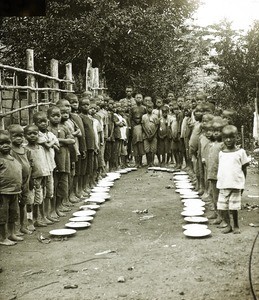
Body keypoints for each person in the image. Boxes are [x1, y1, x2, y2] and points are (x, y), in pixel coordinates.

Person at [217, 125, 249, 234]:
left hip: (235, 185)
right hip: (223, 184)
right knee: (223, 207)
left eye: (231, 137)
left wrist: (242, 184)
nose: (228, 140)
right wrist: (219, 182)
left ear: (237, 138)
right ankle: (228, 225)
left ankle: (236, 225)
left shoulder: (241, 152)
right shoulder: (221, 153)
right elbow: (221, 169)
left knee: (234, 207)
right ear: (223, 139)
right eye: (226, 137)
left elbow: (244, 169)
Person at [47, 106, 75, 217]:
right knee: (54, 184)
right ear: (48, 117)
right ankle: (52, 210)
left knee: (63, 184)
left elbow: (72, 140)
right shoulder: (48, 130)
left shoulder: (64, 127)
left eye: (58, 115)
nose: (56, 118)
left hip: (65, 159)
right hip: (54, 160)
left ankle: (58, 207)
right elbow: (48, 140)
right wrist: (64, 141)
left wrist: (57, 141)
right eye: (53, 116)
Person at [33, 112, 60, 222]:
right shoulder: (37, 135)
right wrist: (52, 142)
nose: (43, 124)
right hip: (41, 169)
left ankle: (47, 214)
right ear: (35, 123)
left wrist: (52, 142)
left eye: (45, 121)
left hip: (50, 167)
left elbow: (57, 147)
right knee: (40, 194)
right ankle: (40, 217)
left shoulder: (49, 134)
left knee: (49, 192)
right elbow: (49, 145)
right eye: (40, 122)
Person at [24, 124, 50, 228]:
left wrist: (45, 176)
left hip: (41, 178)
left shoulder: (41, 148)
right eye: (29, 134)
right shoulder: (26, 150)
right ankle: (29, 221)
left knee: (38, 200)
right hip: (31, 179)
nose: (32, 136)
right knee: (30, 201)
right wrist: (29, 180)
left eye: (35, 133)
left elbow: (44, 164)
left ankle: (37, 219)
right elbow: (28, 167)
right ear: (25, 136)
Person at [0, 130, 23, 246]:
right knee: (2, 216)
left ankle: (12, 233)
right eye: (1, 143)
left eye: (7, 143)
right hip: (3, 192)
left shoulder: (12, 156)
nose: (5, 145)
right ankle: (2, 237)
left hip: (15, 191)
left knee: (13, 213)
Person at [9, 124, 32, 234]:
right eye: (15, 136)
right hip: (15, 183)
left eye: (21, 135)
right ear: (9, 136)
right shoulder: (10, 151)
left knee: (23, 203)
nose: (19, 138)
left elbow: (29, 165)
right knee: (15, 206)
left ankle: (23, 226)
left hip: (25, 181)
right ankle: (15, 229)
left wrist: (29, 180)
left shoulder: (25, 150)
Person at [206, 117, 227, 225]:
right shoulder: (212, 144)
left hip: (219, 174)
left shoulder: (223, 145)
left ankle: (221, 217)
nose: (215, 133)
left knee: (219, 196)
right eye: (214, 131)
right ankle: (216, 212)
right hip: (212, 174)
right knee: (213, 195)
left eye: (218, 131)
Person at [129, 93, 146, 168]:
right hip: (134, 127)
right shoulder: (132, 108)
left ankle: (141, 162)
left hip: (141, 127)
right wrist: (132, 128)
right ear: (135, 99)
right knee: (135, 145)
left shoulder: (144, 108)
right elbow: (130, 118)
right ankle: (136, 162)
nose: (139, 99)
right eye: (137, 97)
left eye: (140, 97)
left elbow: (145, 118)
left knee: (141, 145)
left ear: (142, 99)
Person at [142, 102, 159, 167]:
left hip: (153, 135)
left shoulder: (155, 116)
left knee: (153, 149)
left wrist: (153, 134)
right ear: (146, 108)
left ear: (153, 108)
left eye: (151, 108)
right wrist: (147, 134)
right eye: (148, 108)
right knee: (147, 149)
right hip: (146, 136)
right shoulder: (144, 116)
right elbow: (143, 125)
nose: (149, 109)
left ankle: (152, 162)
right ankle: (148, 162)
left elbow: (157, 126)